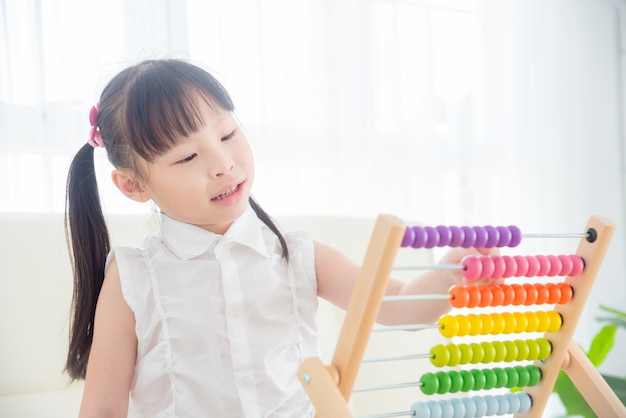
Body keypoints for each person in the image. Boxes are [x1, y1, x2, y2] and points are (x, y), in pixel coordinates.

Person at [65, 58, 497, 417]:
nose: (222, 164)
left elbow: (400, 306)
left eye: (227, 134)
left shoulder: (301, 257)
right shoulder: (134, 279)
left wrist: (453, 272)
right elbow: (102, 408)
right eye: (188, 156)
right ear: (133, 185)